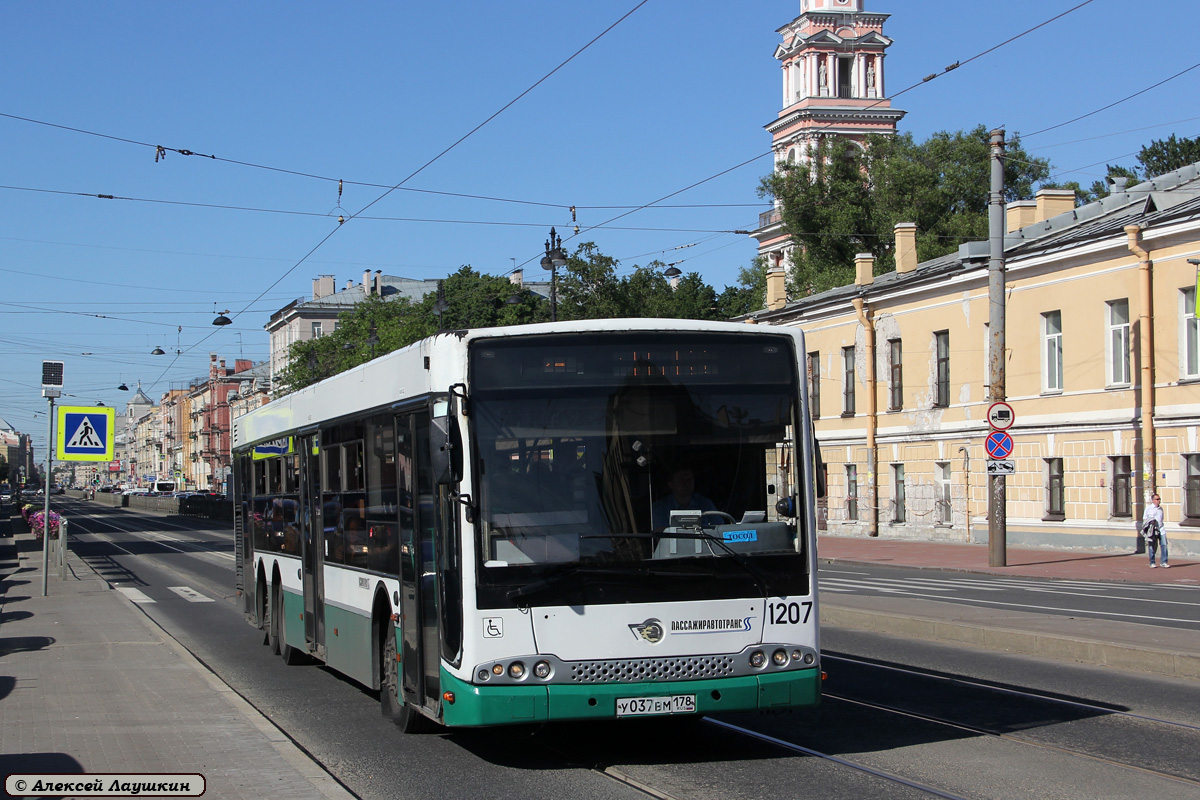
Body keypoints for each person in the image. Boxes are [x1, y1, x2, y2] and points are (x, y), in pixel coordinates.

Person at [652, 466, 717, 530]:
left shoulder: (705, 503)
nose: (686, 483)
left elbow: (720, 528)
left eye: (689, 479)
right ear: (670, 483)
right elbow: (661, 536)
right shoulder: (660, 507)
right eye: (682, 479)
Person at [1142, 493, 1169, 568]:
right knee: (1152, 546)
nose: (1159, 501)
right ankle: (1152, 562)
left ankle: (1164, 562)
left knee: (1164, 545)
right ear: (1153, 500)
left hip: (1161, 529)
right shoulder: (1149, 508)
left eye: (1159, 499)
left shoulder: (1160, 509)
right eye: (1157, 499)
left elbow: (1161, 518)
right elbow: (1145, 519)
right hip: (1152, 530)